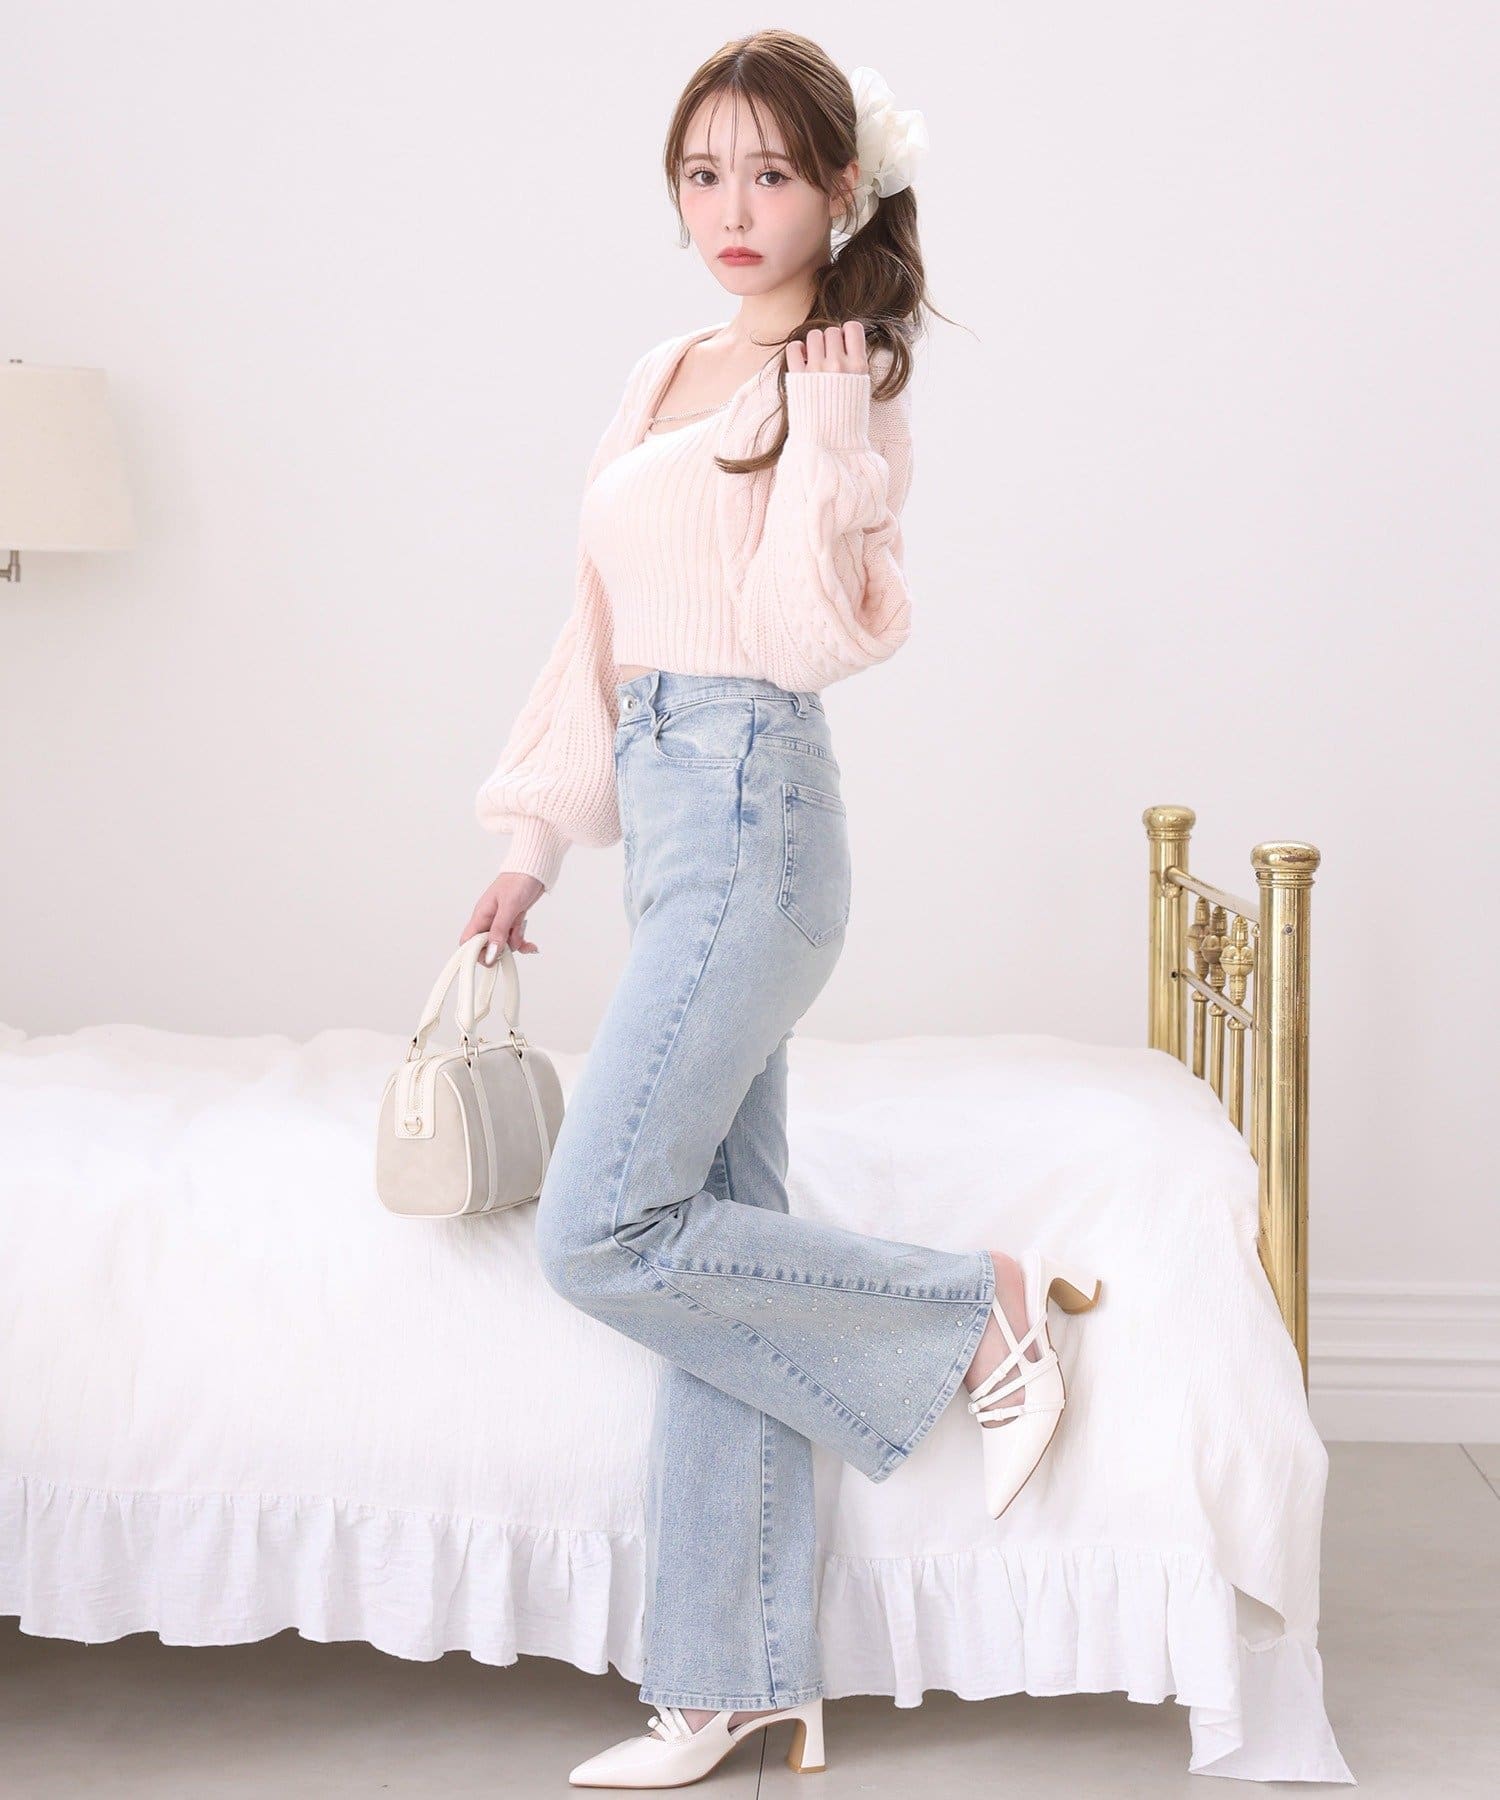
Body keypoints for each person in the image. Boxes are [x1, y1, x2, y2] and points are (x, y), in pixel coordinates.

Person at [459, 30, 1103, 1790]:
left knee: (600, 1229)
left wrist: (826, 442)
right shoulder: (665, 366)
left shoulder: (845, 377)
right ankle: (730, 1679)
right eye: (703, 173)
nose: (732, 207)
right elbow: (596, 624)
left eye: (769, 173)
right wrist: (532, 839)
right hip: (670, 819)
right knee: (708, 1237)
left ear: (839, 189)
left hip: (756, 809)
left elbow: (810, 645)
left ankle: (976, 1312)